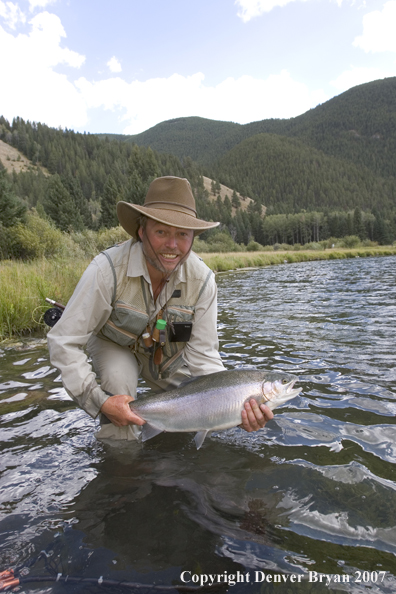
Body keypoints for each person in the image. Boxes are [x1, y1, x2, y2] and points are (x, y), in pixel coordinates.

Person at [47, 176, 273, 441]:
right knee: (119, 385)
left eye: (182, 234)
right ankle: (122, 466)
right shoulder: (106, 270)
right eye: (162, 232)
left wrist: (235, 411)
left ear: (193, 238)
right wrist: (99, 402)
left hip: (164, 358)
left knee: (202, 406)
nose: (172, 245)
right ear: (142, 232)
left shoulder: (203, 282)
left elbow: (204, 360)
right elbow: (63, 341)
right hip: (113, 345)